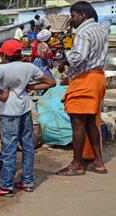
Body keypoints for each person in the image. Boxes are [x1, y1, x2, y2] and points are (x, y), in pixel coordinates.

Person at [0, 39, 55, 196]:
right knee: (28, 147)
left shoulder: (1, 69)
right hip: (25, 108)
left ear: (4, 55)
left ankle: (5, 186)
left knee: (9, 149)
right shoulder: (29, 67)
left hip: (9, 111)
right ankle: (27, 181)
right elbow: (51, 82)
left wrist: (0, 97)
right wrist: (30, 86)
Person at [57, 1, 109, 175]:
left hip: (85, 79)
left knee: (78, 123)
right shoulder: (102, 29)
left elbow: (79, 57)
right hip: (98, 78)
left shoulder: (83, 32)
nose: (71, 20)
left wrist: (65, 60)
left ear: (82, 16)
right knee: (90, 122)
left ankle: (77, 164)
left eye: (73, 16)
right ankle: (98, 161)